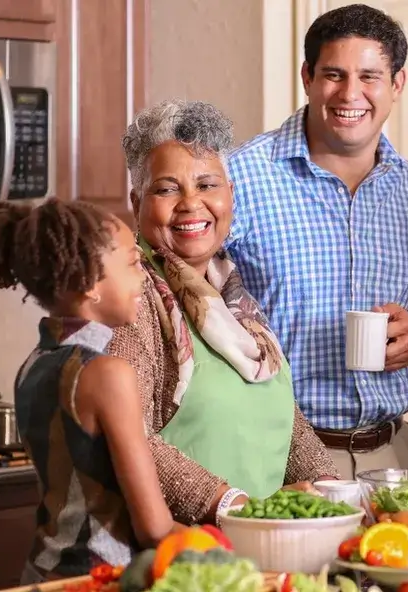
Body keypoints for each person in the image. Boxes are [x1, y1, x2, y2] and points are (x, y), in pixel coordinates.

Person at [225, 3, 408, 477]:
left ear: (397, 85)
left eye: (370, 76)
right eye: (334, 74)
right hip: (272, 455)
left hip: (393, 455)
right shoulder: (238, 177)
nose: (351, 93)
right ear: (307, 77)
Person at [110, 99, 339, 527]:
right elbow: (128, 438)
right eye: (167, 188)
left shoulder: (230, 291)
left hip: (264, 543)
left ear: (230, 196)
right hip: (192, 554)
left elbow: (275, 408)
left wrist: (326, 487)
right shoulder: (133, 298)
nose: (191, 204)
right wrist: (236, 506)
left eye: (207, 185)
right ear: (136, 201)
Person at [0, 199, 179, 582]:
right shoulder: (107, 373)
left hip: (42, 574)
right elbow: (154, 528)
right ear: (90, 284)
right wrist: (229, 546)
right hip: (99, 578)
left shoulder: (32, 365)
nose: (145, 277)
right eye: (134, 263)